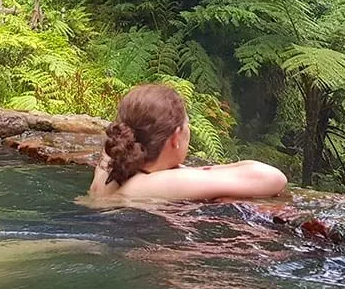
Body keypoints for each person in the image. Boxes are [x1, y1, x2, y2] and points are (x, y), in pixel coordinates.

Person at [88, 83, 288, 201]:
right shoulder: (159, 183)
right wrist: (204, 171)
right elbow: (272, 178)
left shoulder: (110, 170)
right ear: (176, 137)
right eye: (187, 125)